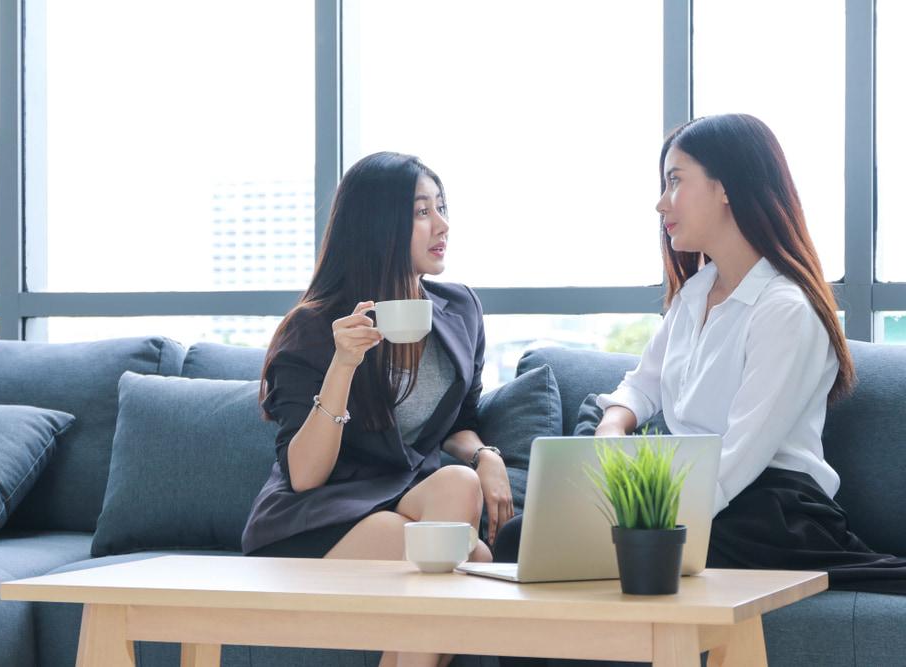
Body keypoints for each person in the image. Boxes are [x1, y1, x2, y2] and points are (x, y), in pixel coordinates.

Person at [494, 113, 906, 665]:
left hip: (768, 510)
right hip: (691, 497)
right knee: (521, 541)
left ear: (726, 187)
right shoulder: (695, 296)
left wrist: (641, 522)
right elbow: (639, 387)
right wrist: (613, 427)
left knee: (570, 554)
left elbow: (739, 458)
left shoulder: (785, 310)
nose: (660, 203)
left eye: (675, 181)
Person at [241, 151, 514, 667]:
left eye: (441, 207)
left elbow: (460, 422)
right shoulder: (314, 327)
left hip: (404, 498)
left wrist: (485, 456)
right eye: (422, 212)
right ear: (378, 225)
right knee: (472, 563)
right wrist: (343, 364)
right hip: (318, 517)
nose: (442, 225)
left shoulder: (460, 310)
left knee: (460, 484)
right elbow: (305, 475)